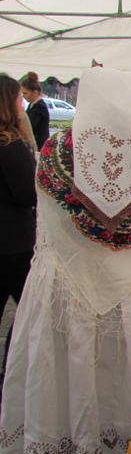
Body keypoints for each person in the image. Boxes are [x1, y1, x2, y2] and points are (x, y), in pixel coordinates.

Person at [0, 67, 131, 454]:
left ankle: (66, 439)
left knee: (64, 371)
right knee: (129, 371)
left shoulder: (54, 153)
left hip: (64, 287)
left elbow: (46, 212)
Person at [0, 74, 36, 391]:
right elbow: (29, 194)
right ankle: (12, 380)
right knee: (28, 314)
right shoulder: (11, 146)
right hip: (13, 244)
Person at [20, 71, 49, 151]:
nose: (23, 96)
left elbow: (30, 126)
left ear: (35, 92)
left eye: (25, 93)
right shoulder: (32, 105)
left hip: (40, 146)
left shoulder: (40, 107)